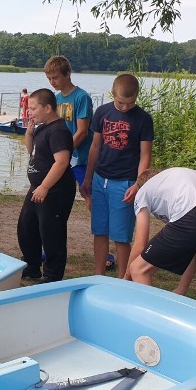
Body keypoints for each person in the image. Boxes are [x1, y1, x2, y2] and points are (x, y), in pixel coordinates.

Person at [128, 168, 196, 307]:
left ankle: (154, 320)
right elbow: (193, 248)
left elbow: (140, 243)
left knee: (138, 269)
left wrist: (126, 277)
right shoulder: (176, 179)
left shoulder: (143, 190)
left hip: (194, 213)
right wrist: (181, 289)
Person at [80, 73, 154, 278]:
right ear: (112, 94)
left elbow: (145, 155)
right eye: (121, 102)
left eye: (130, 103)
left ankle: (123, 279)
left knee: (121, 236)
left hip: (126, 182)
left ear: (137, 97)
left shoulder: (144, 119)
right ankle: (99, 276)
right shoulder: (102, 113)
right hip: (99, 179)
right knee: (100, 231)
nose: (124, 108)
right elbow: (95, 146)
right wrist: (88, 177)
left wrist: (138, 185)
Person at [17, 89, 76, 283]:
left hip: (55, 191)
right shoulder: (42, 127)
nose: (29, 112)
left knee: (51, 233)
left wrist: (44, 187)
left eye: (33, 108)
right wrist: (29, 134)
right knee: (27, 227)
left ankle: (52, 275)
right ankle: (32, 266)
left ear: (48, 108)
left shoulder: (58, 130)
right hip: (37, 187)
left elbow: (62, 162)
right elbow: (33, 152)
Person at [44, 55, 94, 192]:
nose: (52, 82)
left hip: (81, 158)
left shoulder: (82, 97)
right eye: (49, 79)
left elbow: (82, 131)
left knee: (87, 194)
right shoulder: (56, 98)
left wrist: (64, 150)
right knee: (61, 191)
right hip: (62, 156)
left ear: (67, 74)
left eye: (55, 78)